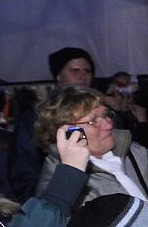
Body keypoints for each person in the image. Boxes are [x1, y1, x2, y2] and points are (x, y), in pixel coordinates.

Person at [10, 46, 95, 201]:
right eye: (75, 71)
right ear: (58, 76)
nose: (83, 76)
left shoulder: (101, 114)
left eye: (87, 71)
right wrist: (42, 205)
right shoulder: (37, 116)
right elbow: (24, 168)